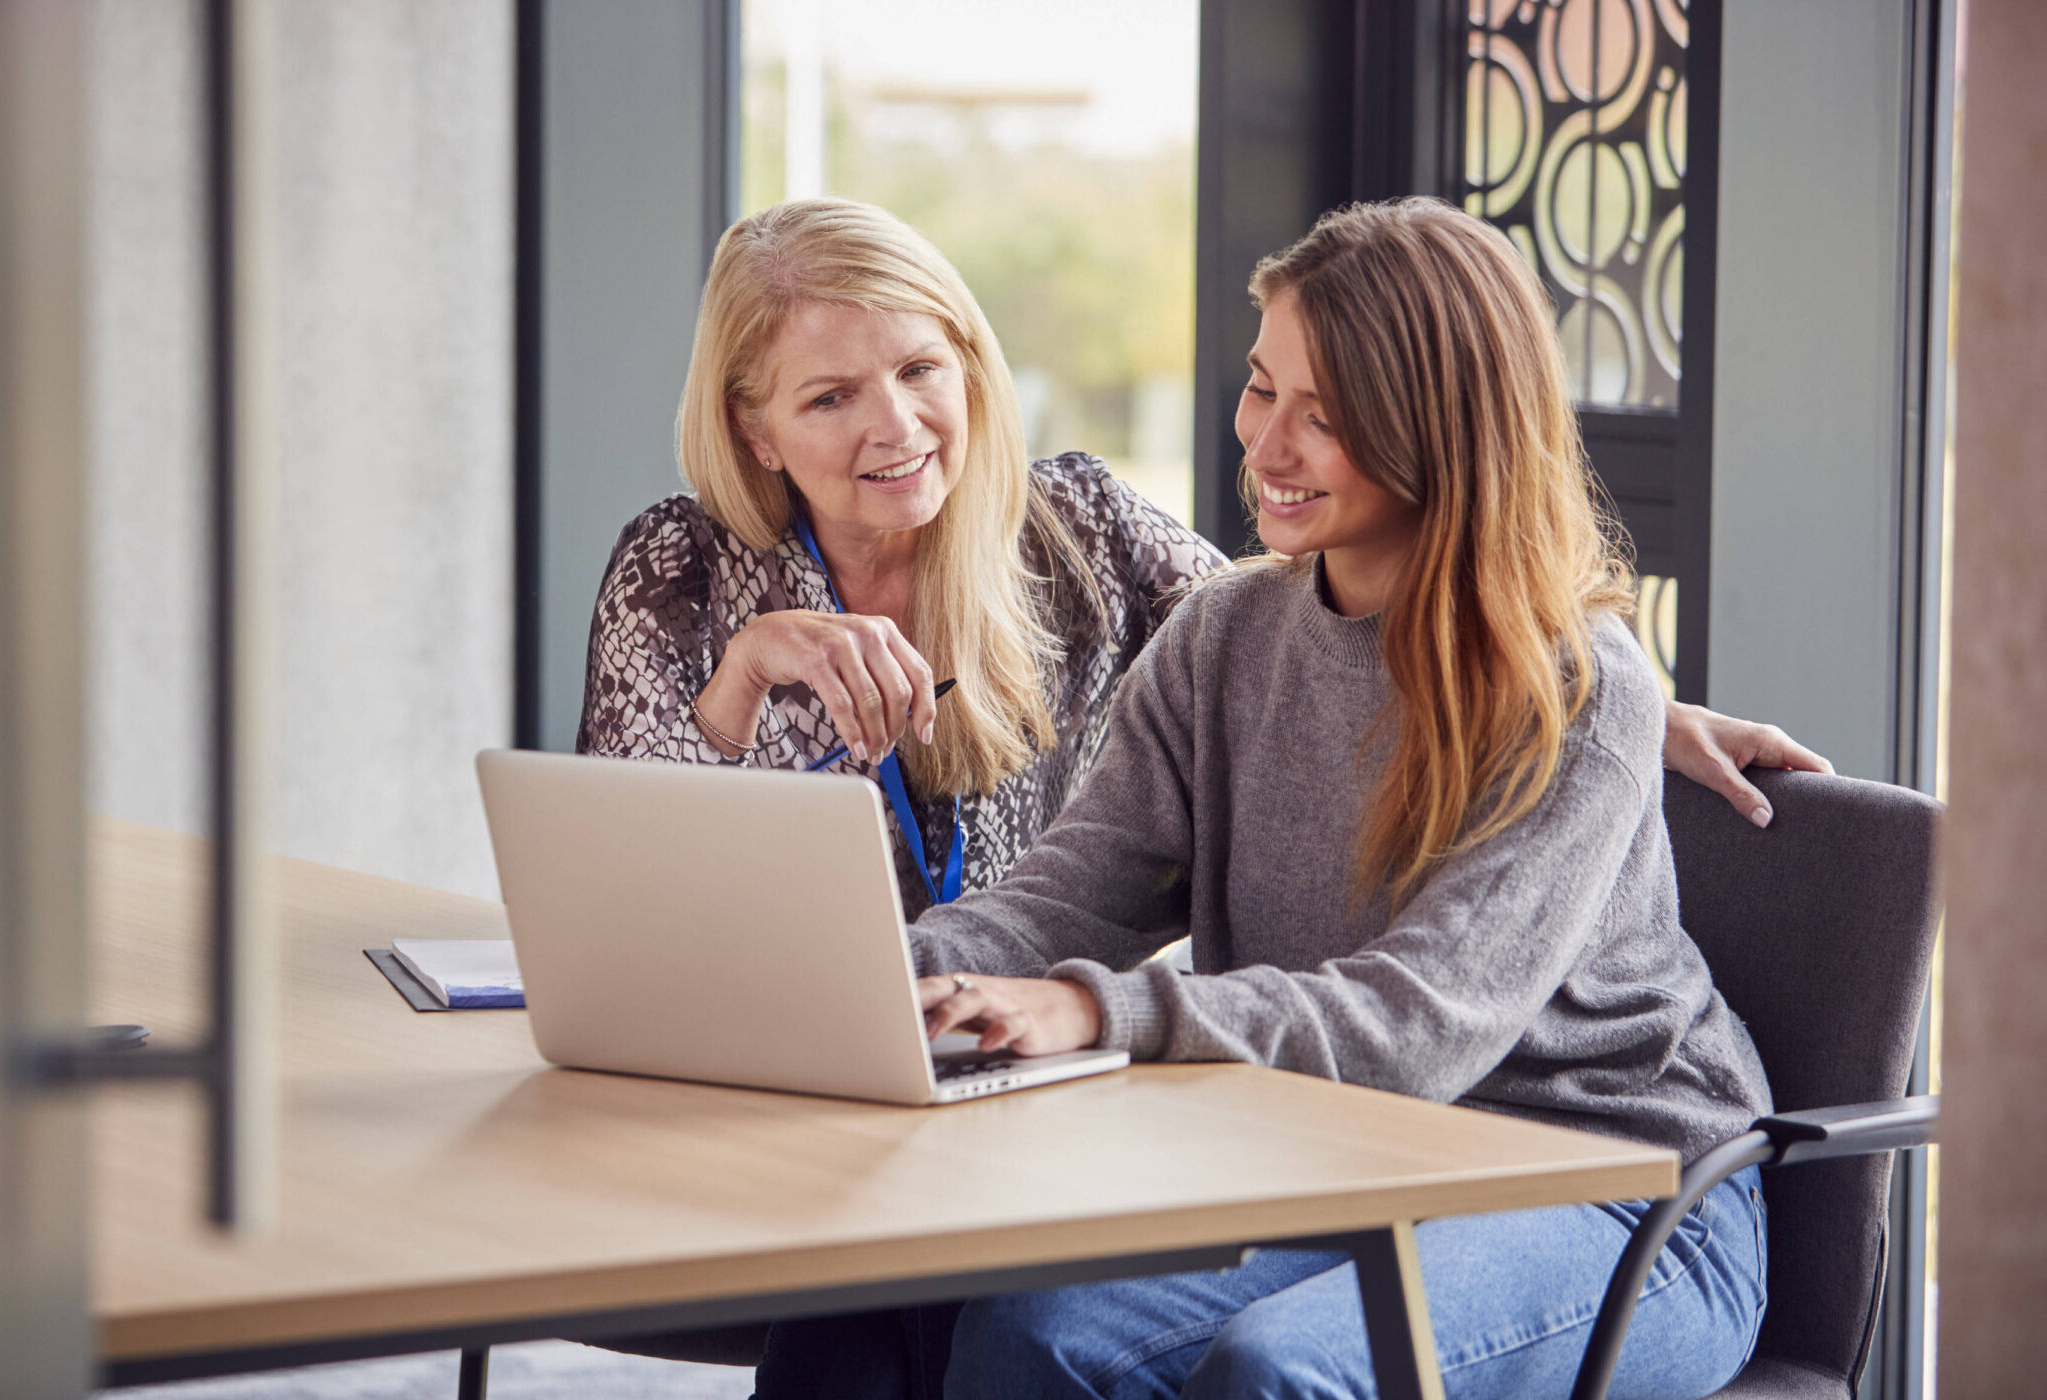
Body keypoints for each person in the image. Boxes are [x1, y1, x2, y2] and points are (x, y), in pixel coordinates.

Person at [888, 198, 1776, 1399]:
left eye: (1330, 416)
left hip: (1622, 1192)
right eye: (1263, 390)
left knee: (1280, 1373)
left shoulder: (1576, 683)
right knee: (1028, 1330)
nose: (1266, 447)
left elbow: (1417, 1023)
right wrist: (887, 977)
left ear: (1442, 431)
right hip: (1354, 1164)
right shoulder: (1226, 635)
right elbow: (1067, 895)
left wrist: (1099, 1010)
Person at [577, 197, 1827, 929]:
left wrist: (1621, 704)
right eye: (833, 396)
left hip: (1013, 1064)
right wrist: (739, 683)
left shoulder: (1075, 528)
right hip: (795, 1057)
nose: (896, 428)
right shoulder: (679, 573)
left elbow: (1326, 625)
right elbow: (618, 901)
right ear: (753, 426)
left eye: (921, 371)